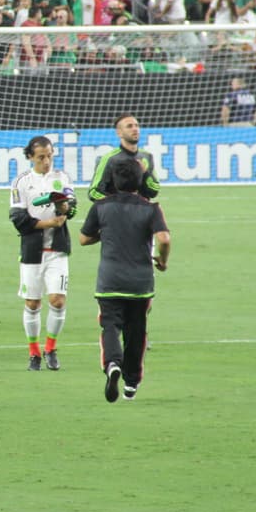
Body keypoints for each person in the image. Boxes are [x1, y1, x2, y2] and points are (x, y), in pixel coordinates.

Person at [79, 158, 172, 403]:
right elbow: (163, 239)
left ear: (113, 181)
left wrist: (106, 233)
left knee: (110, 326)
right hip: (140, 283)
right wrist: (162, 261)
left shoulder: (101, 207)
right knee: (136, 331)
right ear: (139, 180)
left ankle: (112, 364)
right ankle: (131, 383)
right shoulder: (151, 208)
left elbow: (83, 239)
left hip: (109, 281)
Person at [9, 136, 73, 371]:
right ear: (30, 157)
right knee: (33, 303)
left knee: (57, 300)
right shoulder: (21, 182)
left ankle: (51, 348)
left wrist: (65, 208)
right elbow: (18, 219)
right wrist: (49, 224)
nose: (46, 161)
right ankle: (33, 352)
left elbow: (72, 206)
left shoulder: (61, 177)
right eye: (41, 157)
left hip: (57, 250)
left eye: (49, 156)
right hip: (32, 252)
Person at [88, 114, 161, 203]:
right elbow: (94, 192)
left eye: (137, 125)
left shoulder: (147, 156)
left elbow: (154, 191)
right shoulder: (109, 159)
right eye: (129, 126)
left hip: (141, 214)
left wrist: (145, 173)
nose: (135, 129)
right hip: (117, 214)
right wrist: (119, 204)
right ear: (119, 133)